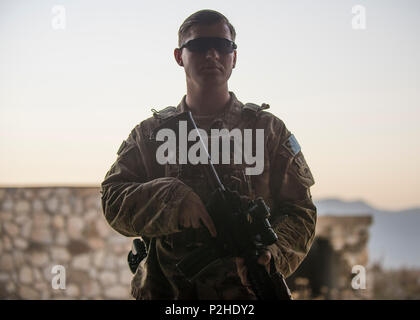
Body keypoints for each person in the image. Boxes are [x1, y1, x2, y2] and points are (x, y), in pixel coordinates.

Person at [100, 9, 317, 300]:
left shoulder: (268, 130)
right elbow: (113, 199)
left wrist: (272, 255)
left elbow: (300, 211)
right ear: (179, 56)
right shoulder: (151, 134)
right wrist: (170, 199)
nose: (212, 54)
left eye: (223, 46)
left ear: (234, 57)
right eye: (199, 46)